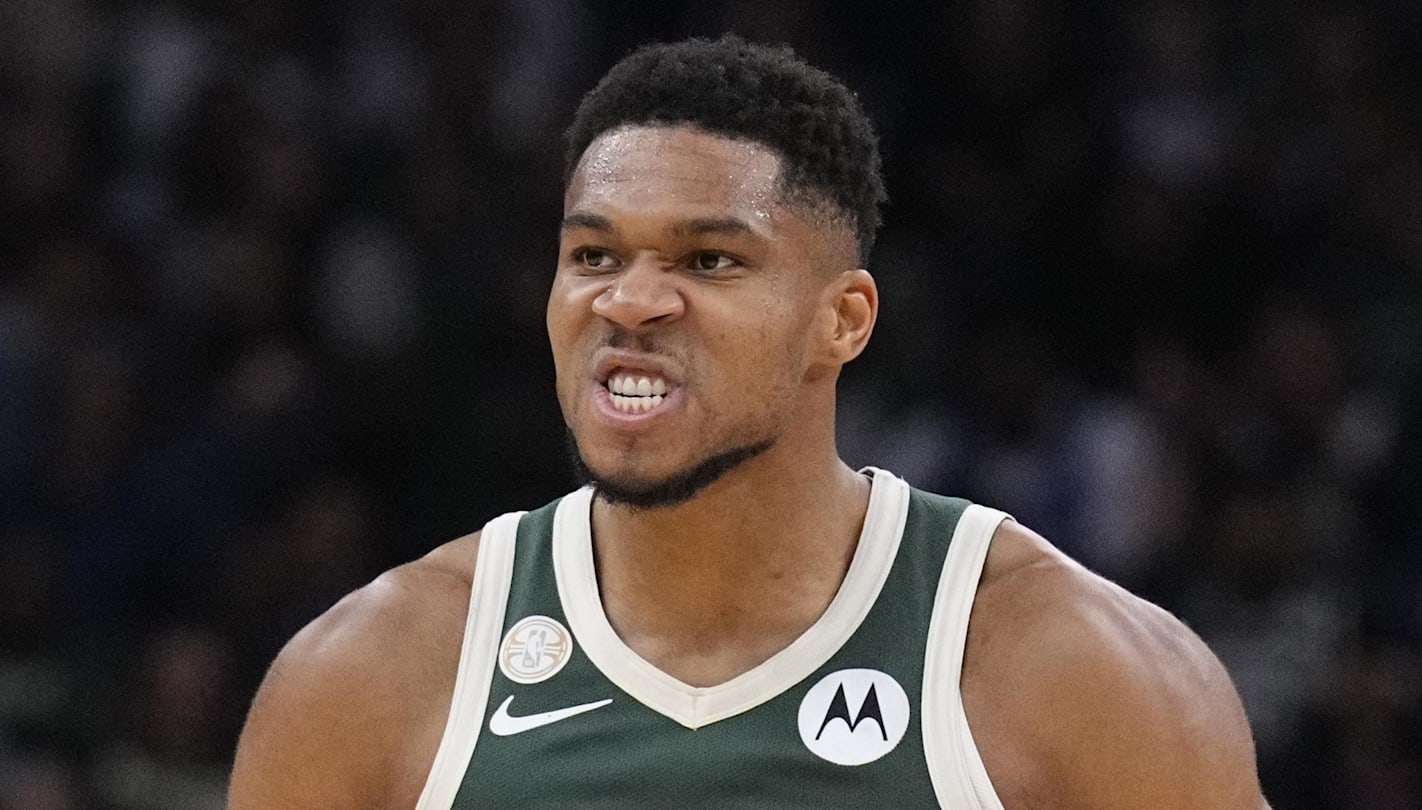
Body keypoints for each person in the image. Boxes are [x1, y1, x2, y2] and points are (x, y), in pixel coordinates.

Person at [228, 37, 1270, 809]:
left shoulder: (1075, 670)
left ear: (842, 321)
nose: (630, 301)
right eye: (594, 255)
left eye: (708, 260)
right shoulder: (374, 675)